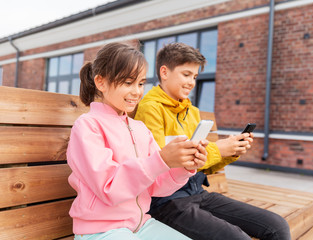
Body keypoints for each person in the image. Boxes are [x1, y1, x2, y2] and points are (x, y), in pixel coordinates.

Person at [134, 42, 291, 240]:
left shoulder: (192, 112)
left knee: (277, 226)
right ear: (164, 72)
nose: (192, 82)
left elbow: (202, 166)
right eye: (186, 74)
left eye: (195, 76)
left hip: (197, 191)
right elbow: (162, 166)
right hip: (166, 201)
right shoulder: (150, 109)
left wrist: (231, 151)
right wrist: (219, 149)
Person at [66, 42, 208, 240]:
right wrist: (161, 159)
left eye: (140, 83)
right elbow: (109, 188)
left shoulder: (139, 128)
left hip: (141, 225)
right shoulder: (88, 127)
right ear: (101, 82)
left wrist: (183, 166)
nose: (136, 92)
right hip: (100, 230)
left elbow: (157, 186)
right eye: (127, 82)